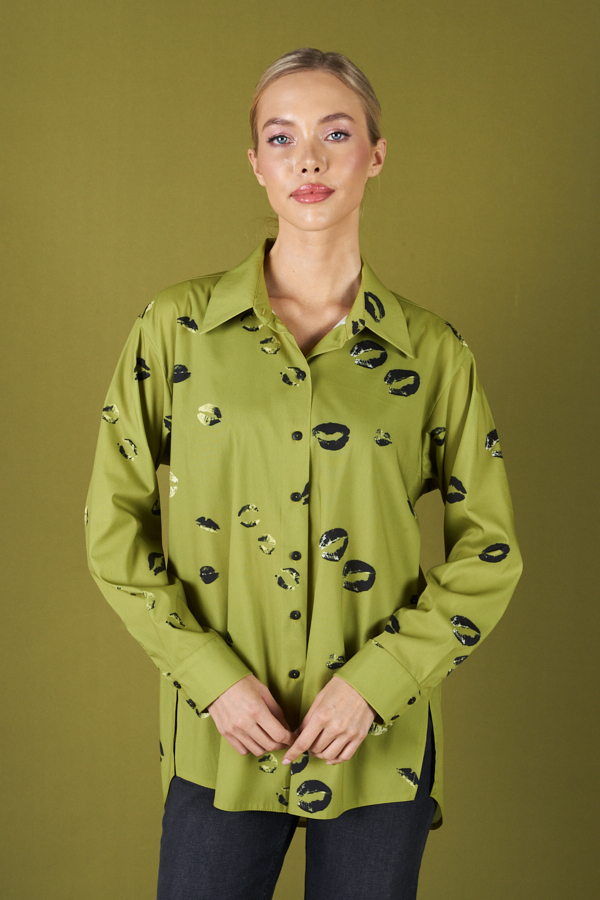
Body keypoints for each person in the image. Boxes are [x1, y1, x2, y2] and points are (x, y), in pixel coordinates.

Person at [85, 48, 522, 900]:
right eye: (282, 138)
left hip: (377, 746)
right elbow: (114, 531)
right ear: (256, 161)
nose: (310, 160)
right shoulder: (176, 329)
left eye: (336, 133)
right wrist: (209, 680)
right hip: (222, 739)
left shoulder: (433, 353)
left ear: (376, 155)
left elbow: (490, 554)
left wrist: (379, 683)